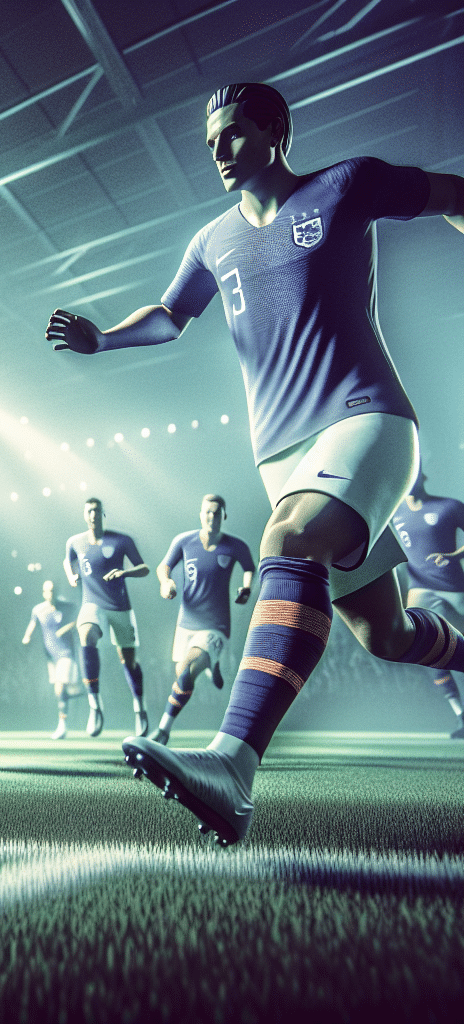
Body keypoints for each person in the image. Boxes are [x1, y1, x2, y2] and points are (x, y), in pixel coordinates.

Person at [46, 82, 464, 844]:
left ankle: (232, 767)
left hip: (365, 421)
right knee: (387, 634)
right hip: (282, 453)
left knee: (287, 538)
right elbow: (172, 316)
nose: (220, 153)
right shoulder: (212, 241)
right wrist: (103, 338)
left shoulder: (348, 183)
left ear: (276, 129)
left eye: (233, 135)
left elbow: (452, 192)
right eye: (210, 144)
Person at [152, 495, 255, 744]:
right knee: (181, 674)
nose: (212, 517)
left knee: (187, 669)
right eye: (207, 512)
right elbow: (162, 567)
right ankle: (212, 665)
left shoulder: (235, 545)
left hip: (216, 626)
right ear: (200, 514)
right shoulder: (184, 541)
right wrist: (166, 582)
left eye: (217, 513)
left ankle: (163, 731)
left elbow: (249, 567)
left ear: (224, 516)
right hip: (186, 622)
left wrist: (246, 588)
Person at [63, 498, 149, 738]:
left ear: (103, 514)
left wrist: (124, 572)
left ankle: (140, 708)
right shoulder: (75, 542)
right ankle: (95, 706)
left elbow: (144, 568)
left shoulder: (121, 540)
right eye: (89, 510)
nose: (93, 514)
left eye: (97, 511)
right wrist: (71, 575)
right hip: (92, 604)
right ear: (84, 515)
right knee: (86, 634)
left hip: (120, 607)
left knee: (129, 661)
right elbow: (67, 560)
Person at [392, 472, 464, 738]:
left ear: (423, 477)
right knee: (429, 651)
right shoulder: (393, 512)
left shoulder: (449, 506)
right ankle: (460, 715)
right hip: (419, 591)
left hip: (456, 588)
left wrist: (454, 556)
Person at [22, 579, 82, 738]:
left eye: (53, 590)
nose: (51, 593)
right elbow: (32, 625)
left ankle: (62, 725)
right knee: (61, 691)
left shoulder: (68, 606)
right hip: (50, 656)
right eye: (47, 591)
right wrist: (27, 637)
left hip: (66, 653)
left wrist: (66, 628)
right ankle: (75, 692)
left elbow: (79, 619)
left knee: (59, 687)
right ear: (43, 593)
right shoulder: (38, 610)